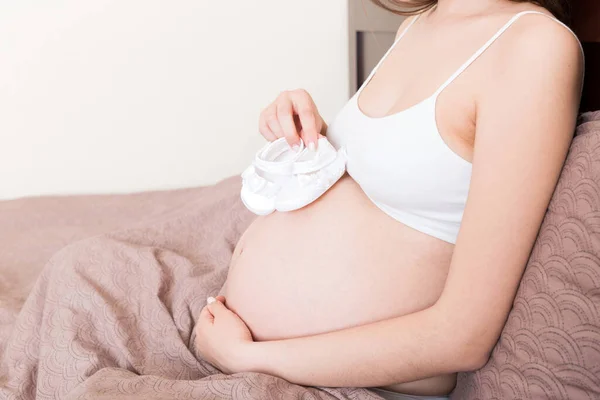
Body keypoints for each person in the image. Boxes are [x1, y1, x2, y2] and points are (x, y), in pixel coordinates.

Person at [195, 0, 585, 399]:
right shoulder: (419, 23)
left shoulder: (534, 46)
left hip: (361, 382)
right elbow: (394, 181)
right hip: (274, 360)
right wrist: (311, 137)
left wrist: (248, 357)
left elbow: (463, 335)